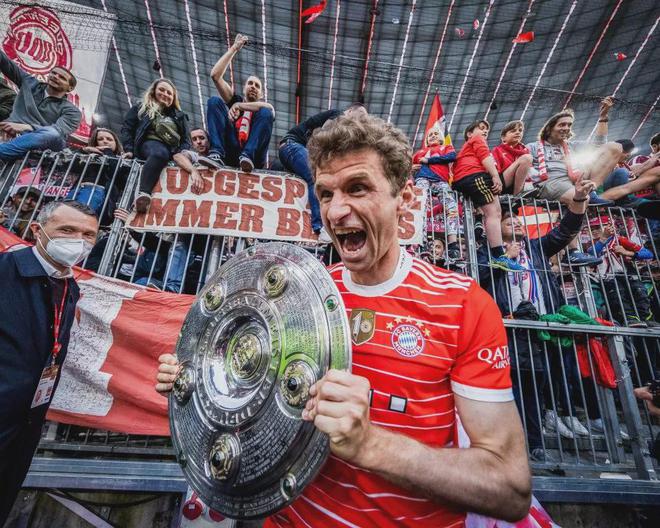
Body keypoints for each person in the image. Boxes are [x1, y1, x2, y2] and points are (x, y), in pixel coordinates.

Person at [157, 114, 532, 526]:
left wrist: (370, 444)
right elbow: (256, 402)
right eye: (325, 193)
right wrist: (200, 382)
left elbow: (509, 490)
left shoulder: (463, 305)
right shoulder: (299, 292)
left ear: (404, 198)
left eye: (357, 188)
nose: (336, 211)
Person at [476, 177, 594, 458]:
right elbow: (479, 279)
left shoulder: (537, 248)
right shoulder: (485, 253)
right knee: (508, 387)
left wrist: (578, 199)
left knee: (536, 387)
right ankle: (506, 445)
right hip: (506, 328)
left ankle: (536, 443)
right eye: (509, 223)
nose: (516, 225)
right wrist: (505, 259)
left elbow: (566, 231)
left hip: (541, 327)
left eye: (518, 223)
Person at [0, 200, 98, 524]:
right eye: (67, 230)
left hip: (25, 424)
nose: (78, 241)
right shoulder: (5, 270)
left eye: (88, 235)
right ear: (37, 231)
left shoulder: (70, 289)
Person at [279, 104, 366, 235]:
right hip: (292, 145)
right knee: (316, 178)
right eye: (360, 116)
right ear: (349, 111)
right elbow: (322, 137)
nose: (360, 122)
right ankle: (320, 227)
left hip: (291, 150)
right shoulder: (339, 115)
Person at [452, 119, 525, 273]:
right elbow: (485, 157)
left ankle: (497, 253)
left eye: (486, 129)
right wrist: (495, 176)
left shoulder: (467, 147)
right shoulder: (477, 140)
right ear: (470, 133)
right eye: (481, 128)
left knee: (491, 212)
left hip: (465, 177)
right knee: (494, 213)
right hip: (473, 175)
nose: (484, 131)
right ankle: (499, 256)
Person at [121, 78, 204, 213]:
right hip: (149, 145)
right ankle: (144, 193)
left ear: (173, 98)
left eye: (169, 93)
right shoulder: (140, 108)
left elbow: (186, 140)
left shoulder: (180, 116)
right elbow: (127, 129)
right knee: (159, 154)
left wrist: (181, 153)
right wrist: (129, 150)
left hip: (172, 152)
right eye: (162, 90)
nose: (165, 94)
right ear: (153, 91)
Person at [525, 98, 620, 206]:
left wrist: (603, 117)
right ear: (549, 129)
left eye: (569, 125)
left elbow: (599, 144)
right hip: (551, 182)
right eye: (562, 125)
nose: (566, 128)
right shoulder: (532, 147)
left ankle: (591, 190)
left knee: (614, 147)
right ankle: (584, 196)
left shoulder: (572, 146)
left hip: (574, 179)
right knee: (581, 199)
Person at [207, 34, 274, 173]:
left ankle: (247, 156)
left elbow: (270, 108)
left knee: (266, 112)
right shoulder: (234, 100)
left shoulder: (260, 110)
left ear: (261, 94)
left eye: (257, 85)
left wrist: (239, 106)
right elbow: (215, 76)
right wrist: (234, 48)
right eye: (250, 83)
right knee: (214, 101)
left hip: (253, 158)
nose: (253, 86)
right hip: (232, 150)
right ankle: (216, 153)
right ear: (244, 88)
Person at [0, 49, 80, 162]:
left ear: (70, 88)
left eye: (62, 77)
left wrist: (28, 127)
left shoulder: (72, 111)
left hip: (44, 144)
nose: (55, 76)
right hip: (11, 135)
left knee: (53, 133)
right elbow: (5, 63)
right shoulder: (30, 83)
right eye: (53, 73)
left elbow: (59, 131)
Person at [412, 126, 462, 261]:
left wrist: (429, 161)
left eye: (436, 134)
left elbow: (452, 157)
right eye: (430, 135)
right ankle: (420, 243)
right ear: (427, 140)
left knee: (452, 207)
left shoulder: (446, 148)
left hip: (440, 180)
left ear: (441, 138)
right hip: (422, 179)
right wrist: (412, 169)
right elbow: (411, 165)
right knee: (419, 208)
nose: (433, 136)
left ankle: (453, 244)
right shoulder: (420, 152)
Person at [67, 127, 128, 222]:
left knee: (77, 219)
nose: (105, 141)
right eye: (100, 139)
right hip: (76, 190)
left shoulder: (124, 161)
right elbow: (70, 166)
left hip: (97, 192)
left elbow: (118, 175)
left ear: (116, 143)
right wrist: (83, 150)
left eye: (109, 139)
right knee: (64, 217)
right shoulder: (89, 156)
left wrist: (108, 152)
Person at [600, 133, 660, 203]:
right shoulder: (641, 159)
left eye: (629, 152)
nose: (628, 155)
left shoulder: (624, 165)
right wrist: (656, 156)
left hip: (644, 196)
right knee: (622, 172)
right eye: (625, 151)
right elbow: (636, 173)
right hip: (637, 194)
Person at [491, 120, 533, 196]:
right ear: (503, 137)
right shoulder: (497, 150)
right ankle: (518, 196)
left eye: (520, 130)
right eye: (513, 131)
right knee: (527, 158)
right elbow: (493, 170)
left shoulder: (525, 151)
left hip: (518, 183)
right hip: (501, 183)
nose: (518, 132)